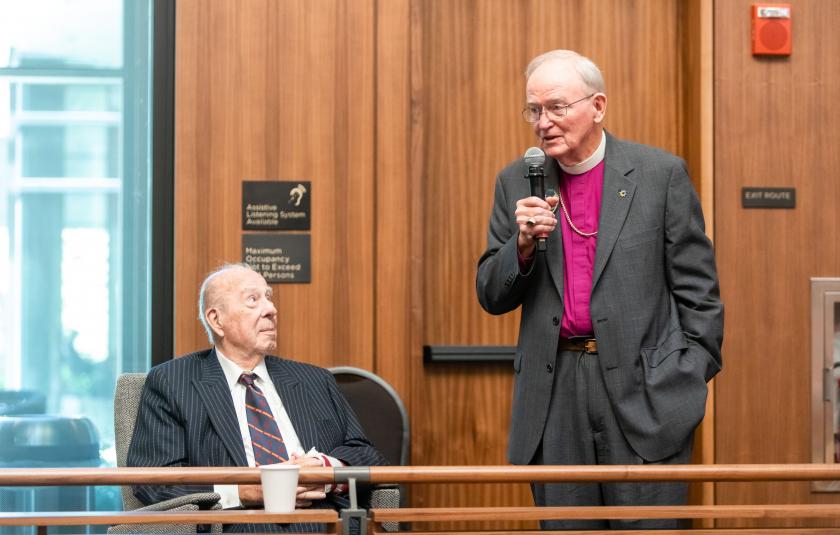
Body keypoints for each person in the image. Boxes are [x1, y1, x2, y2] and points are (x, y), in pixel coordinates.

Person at [476, 50, 723, 530]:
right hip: (555, 393)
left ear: (598, 106)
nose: (543, 122)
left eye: (556, 107)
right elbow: (490, 292)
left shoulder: (659, 175)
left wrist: (684, 377)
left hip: (644, 389)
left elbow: (700, 294)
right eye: (534, 110)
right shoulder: (515, 182)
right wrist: (522, 245)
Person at [128, 263, 386, 533]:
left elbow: (367, 454)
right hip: (238, 524)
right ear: (217, 320)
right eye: (253, 300)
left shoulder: (314, 379)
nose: (271, 310)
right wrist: (243, 491)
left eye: (269, 298)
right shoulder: (171, 382)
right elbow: (152, 481)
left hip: (323, 522)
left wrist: (326, 471)